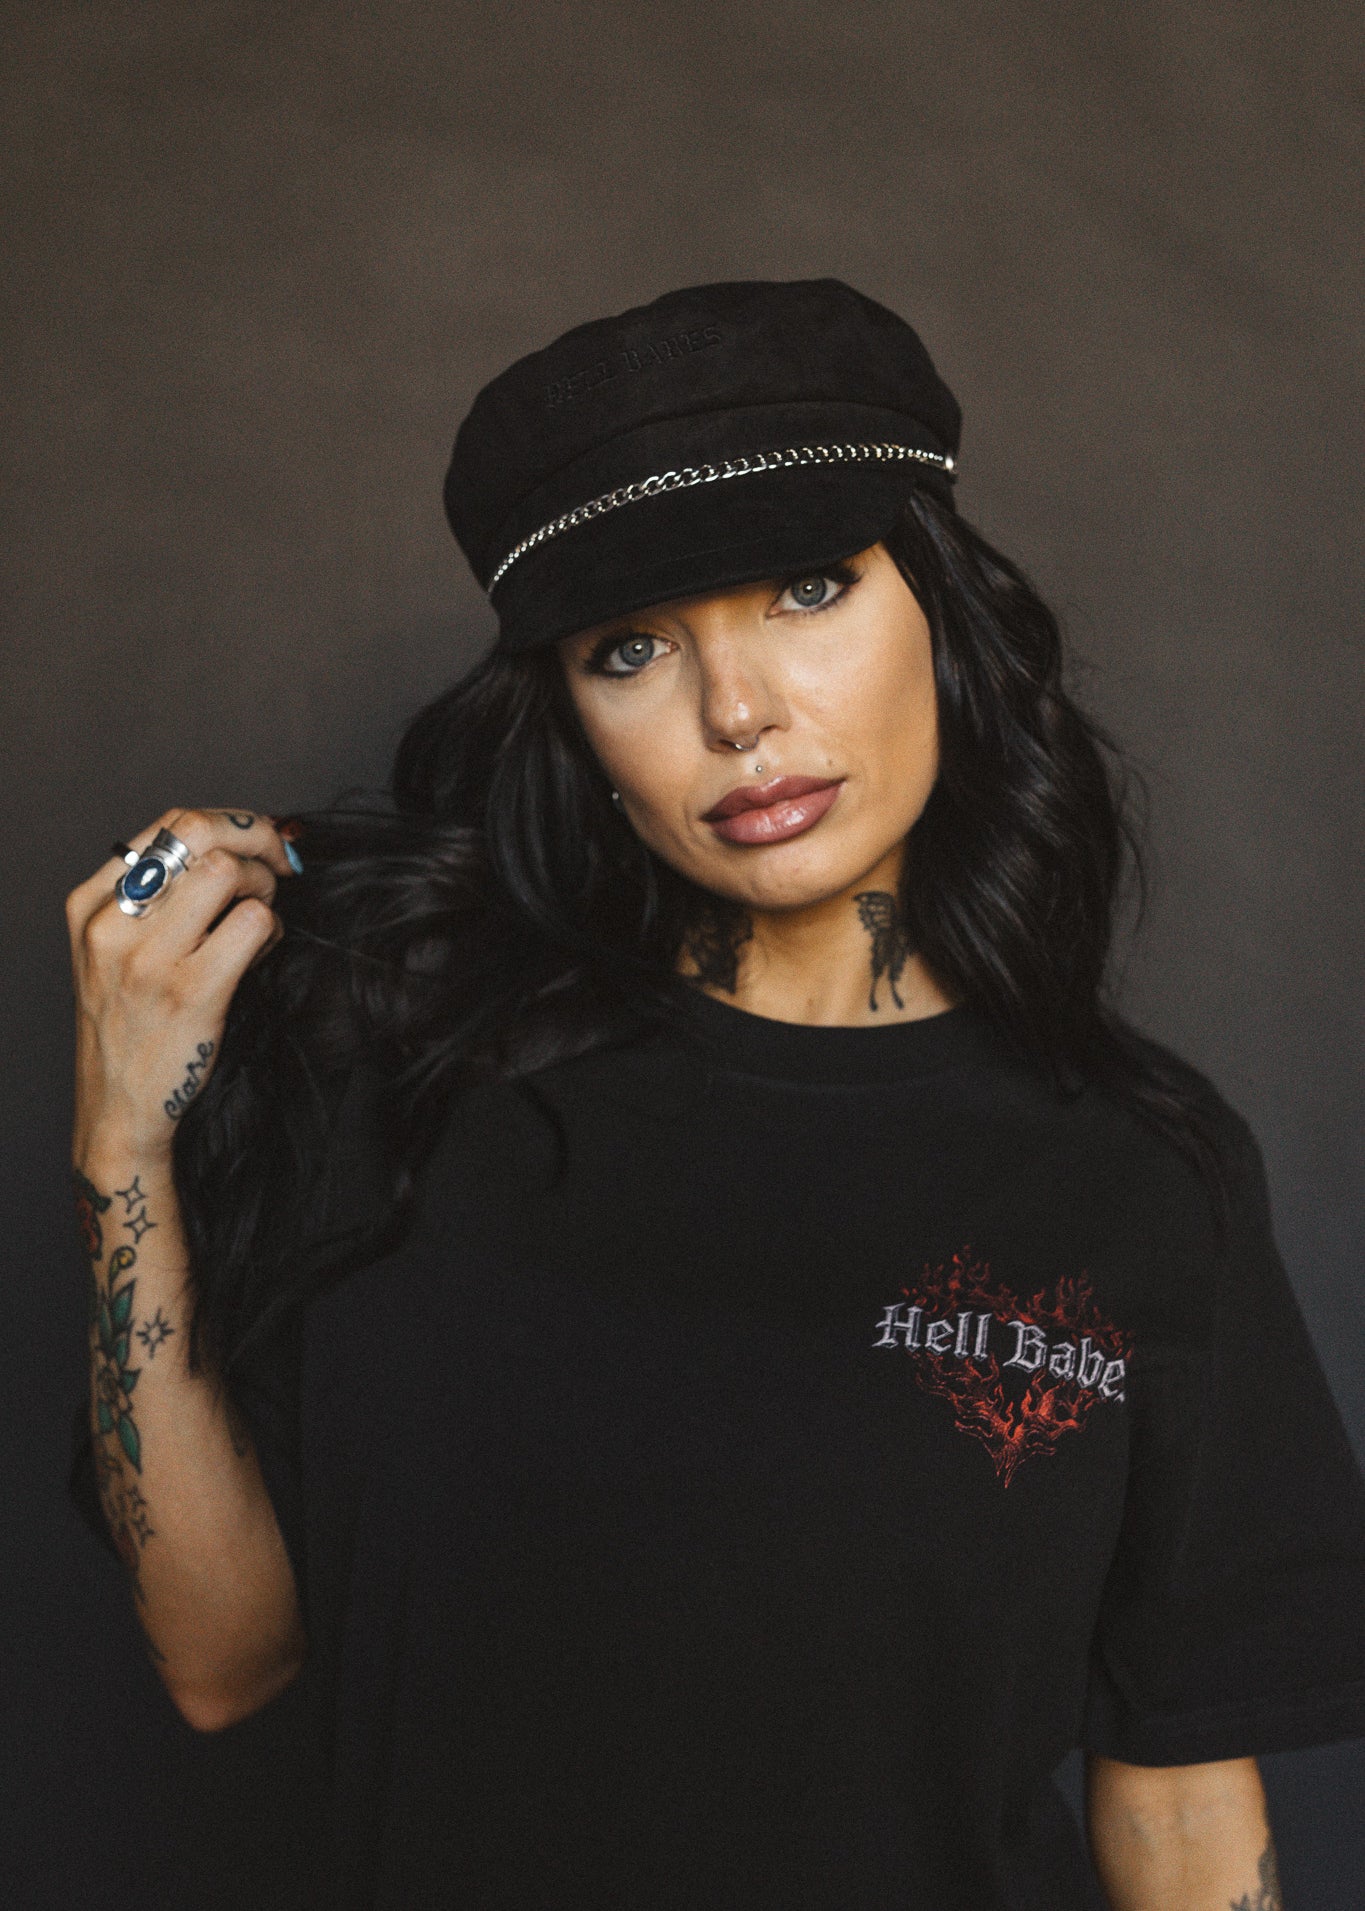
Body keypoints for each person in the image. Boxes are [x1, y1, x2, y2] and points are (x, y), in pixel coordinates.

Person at [65, 279, 1365, 1911]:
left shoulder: (1136, 1175)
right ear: (569, 716)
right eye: (631, 648)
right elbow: (222, 1660)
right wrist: (123, 1142)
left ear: (941, 612)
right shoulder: (409, 1079)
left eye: (809, 591)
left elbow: (1176, 1806)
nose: (736, 713)